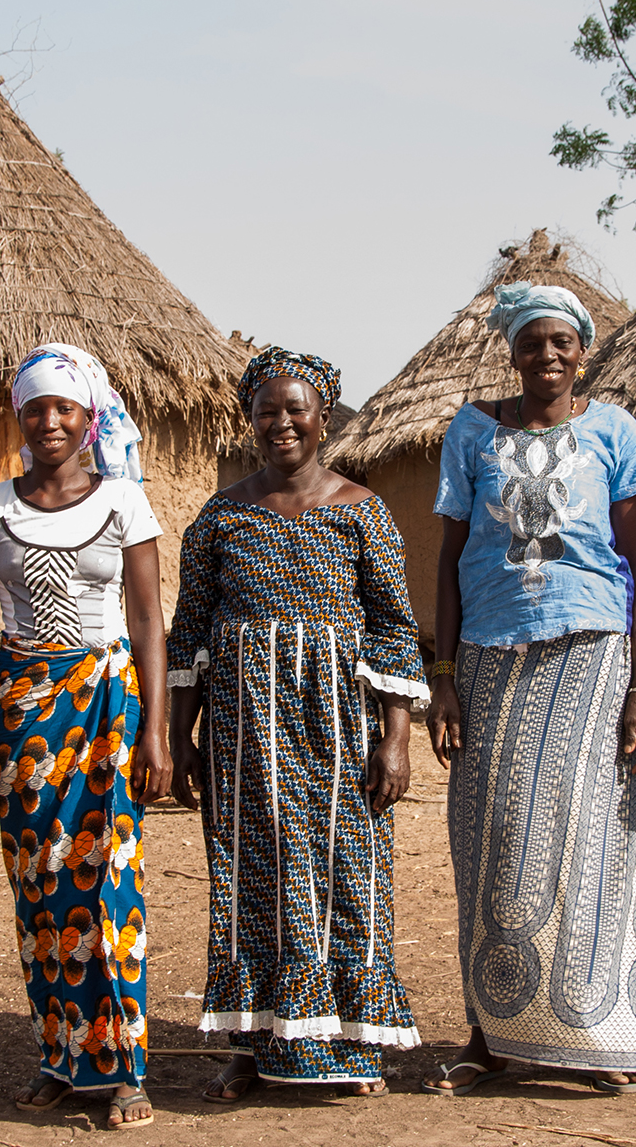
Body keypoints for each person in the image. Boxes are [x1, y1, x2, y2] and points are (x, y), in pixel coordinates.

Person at [424, 281, 636, 1096]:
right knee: (492, 836)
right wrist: (445, 674)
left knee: (593, 835)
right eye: (533, 343)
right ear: (513, 351)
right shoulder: (471, 431)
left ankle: (604, 1037)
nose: (548, 356)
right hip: (491, 655)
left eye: (562, 342)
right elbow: (451, 561)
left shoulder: (615, 431)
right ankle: (490, 1034)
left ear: (582, 349)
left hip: (594, 650)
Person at [166, 346, 427, 1101]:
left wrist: (397, 736)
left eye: (295, 410)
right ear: (249, 421)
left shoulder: (360, 509)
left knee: (349, 870)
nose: (281, 423)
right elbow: (191, 633)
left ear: (323, 420)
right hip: (244, 729)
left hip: (338, 725)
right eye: (266, 411)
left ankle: (347, 1043)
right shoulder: (222, 515)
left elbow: (392, 630)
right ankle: (251, 1045)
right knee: (252, 876)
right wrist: (183, 737)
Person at [0, 343, 169, 1131]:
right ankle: (61, 1057)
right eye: (36, 409)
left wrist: (157, 735)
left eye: (64, 409)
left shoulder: (125, 504)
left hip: (107, 708)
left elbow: (148, 622)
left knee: (108, 884)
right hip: (24, 711)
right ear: (19, 418)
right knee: (40, 885)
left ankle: (125, 1070)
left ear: (88, 419)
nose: (50, 422)